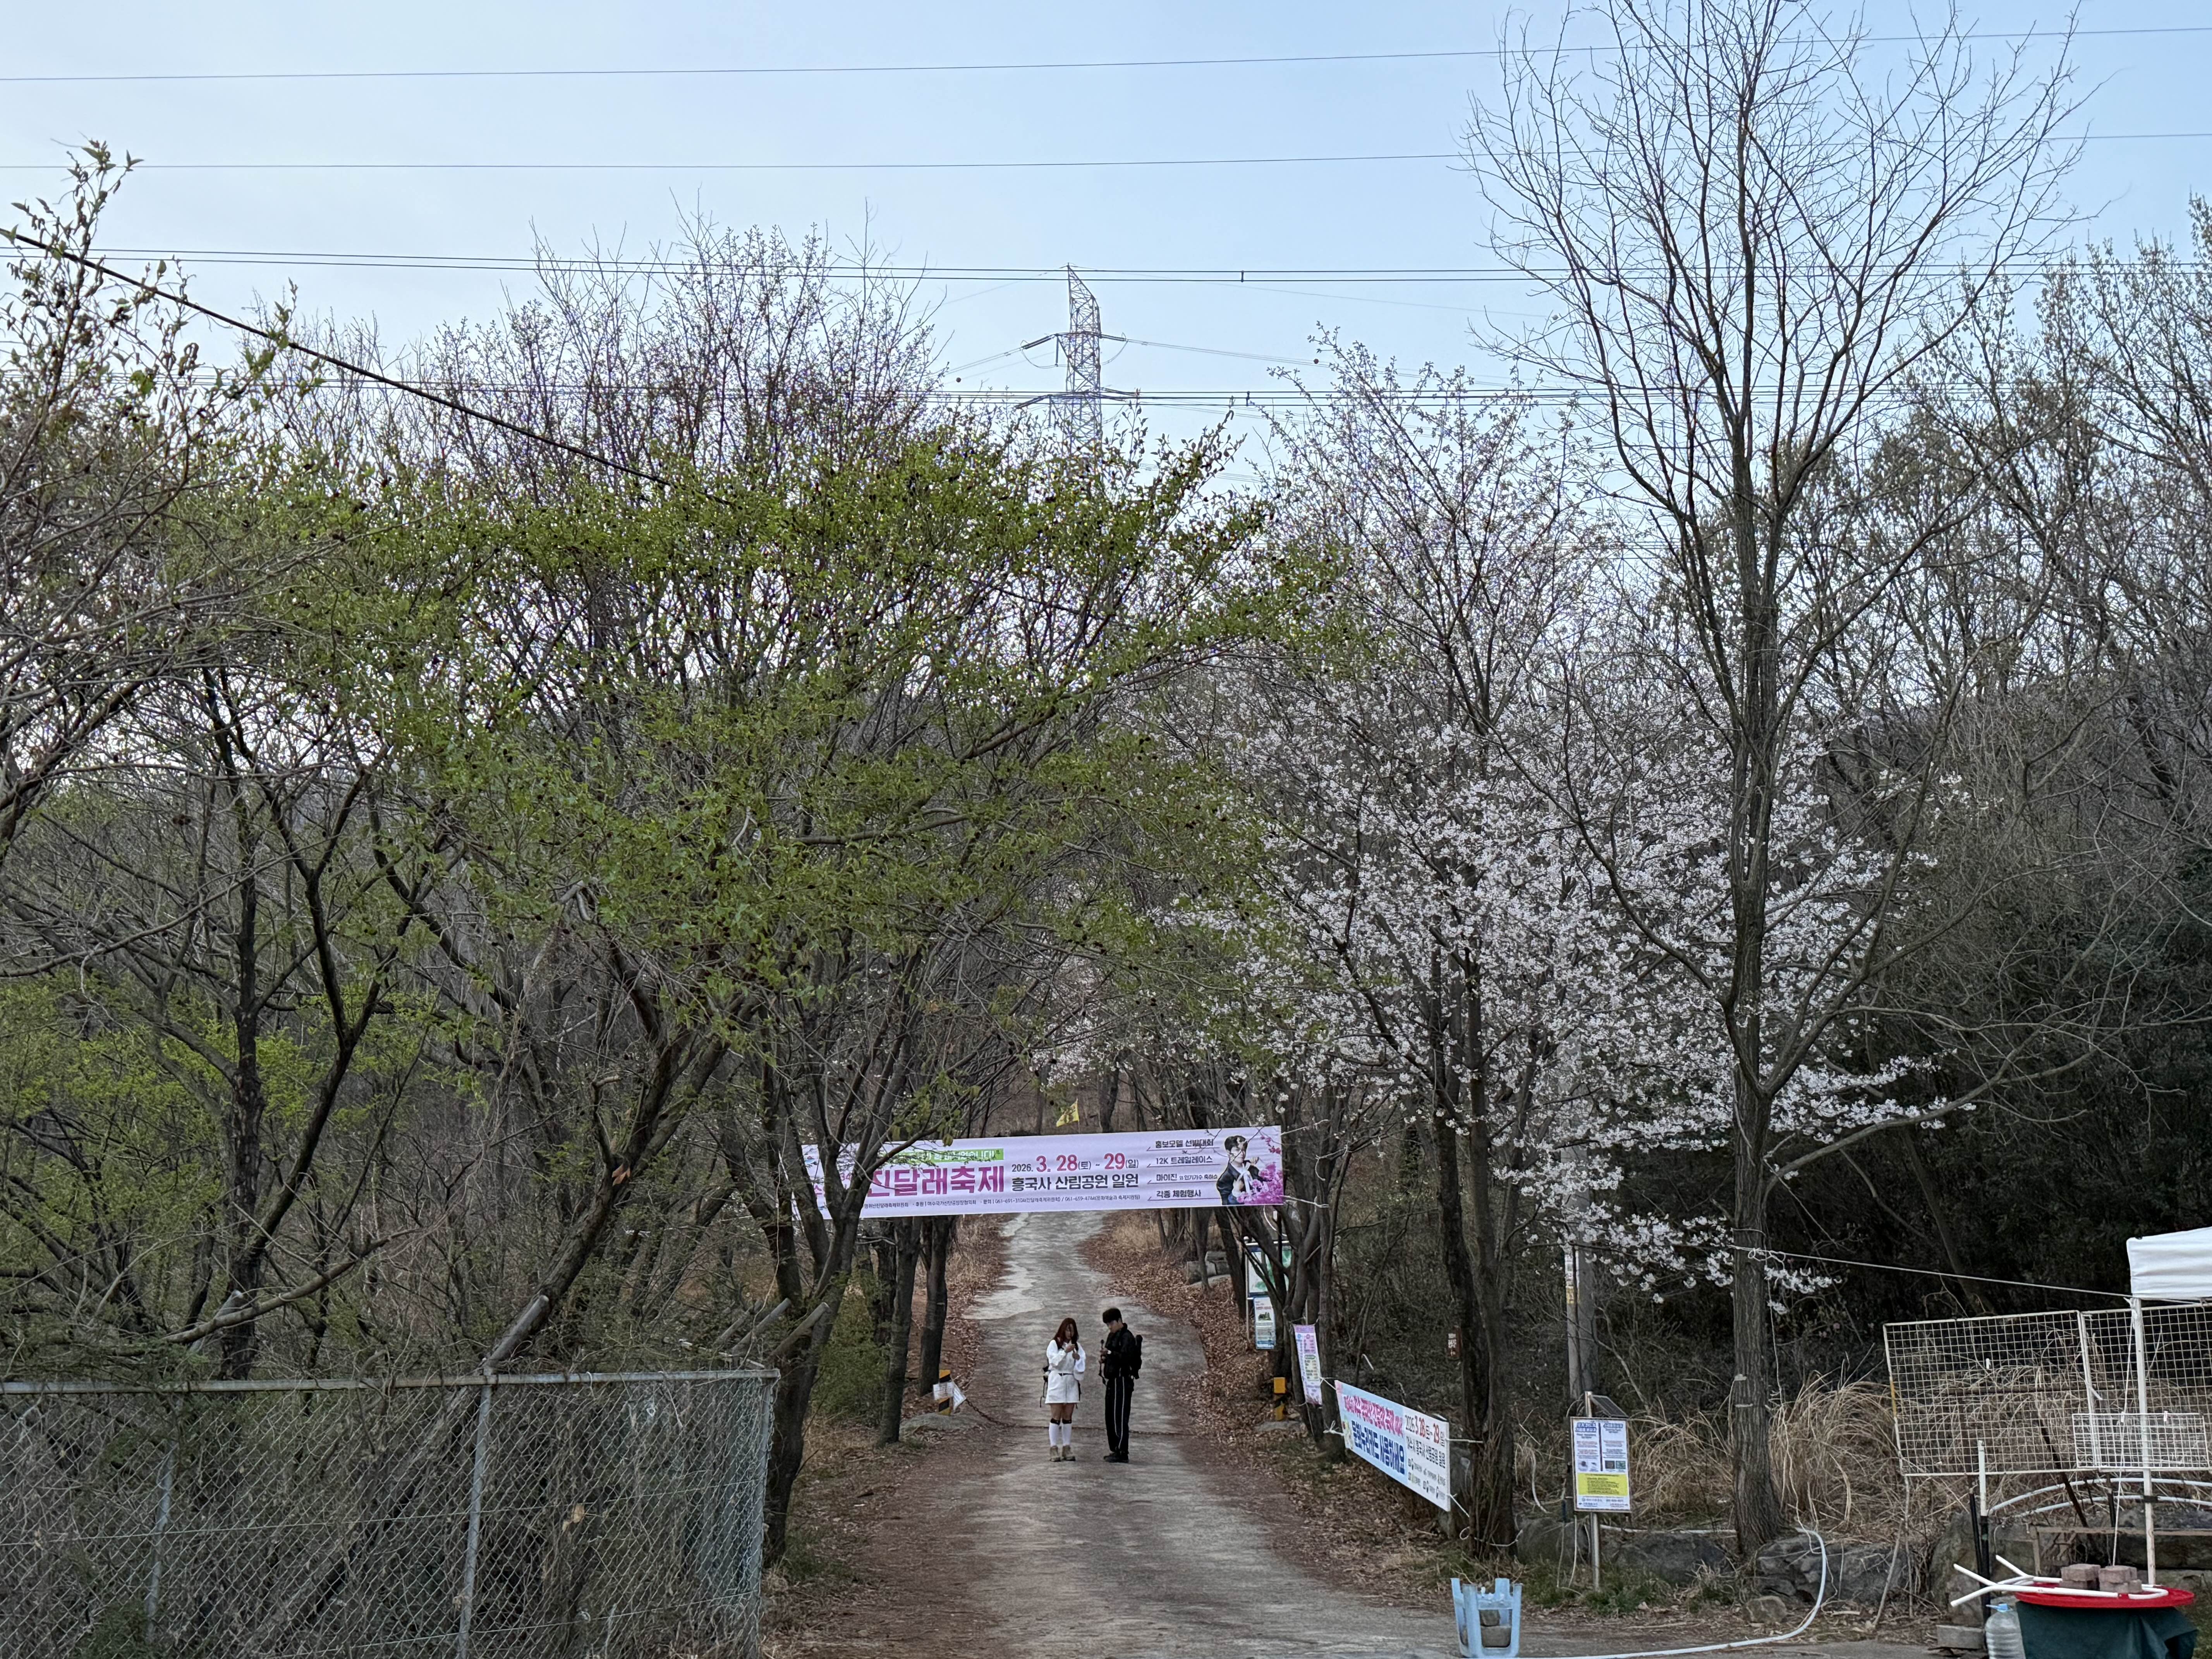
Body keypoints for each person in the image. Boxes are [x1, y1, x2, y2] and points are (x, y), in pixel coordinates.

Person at [1099, 1306, 1141, 1462]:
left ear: (1119, 1321)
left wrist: (1110, 1354)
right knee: (1110, 1415)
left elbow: (1126, 1358)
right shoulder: (1112, 1336)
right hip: (1112, 1381)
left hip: (1122, 1380)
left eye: (1111, 1324)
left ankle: (1123, 1451)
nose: (1109, 1327)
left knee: (1120, 1416)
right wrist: (1105, 1359)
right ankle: (1115, 1448)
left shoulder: (1127, 1337)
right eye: (1108, 1325)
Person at [1042, 1316, 1085, 1462]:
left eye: (1072, 1331)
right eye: (1067, 1330)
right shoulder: (1054, 1344)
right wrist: (1065, 1352)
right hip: (1057, 1381)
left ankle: (1067, 1447)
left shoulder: (1077, 1346)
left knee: (1068, 1416)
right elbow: (1053, 1362)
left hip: (1071, 1381)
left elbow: (1082, 1365)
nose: (1070, 1333)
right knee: (1056, 1416)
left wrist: (1078, 1359)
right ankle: (1053, 1447)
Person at [1216, 1135, 1259, 1206]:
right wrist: (1236, 1192)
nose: (1242, 1154)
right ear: (1229, 1153)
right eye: (1237, 1150)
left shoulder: (1252, 1169)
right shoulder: (1224, 1180)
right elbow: (1226, 1205)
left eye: (1244, 1150)